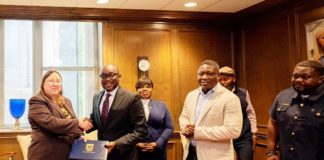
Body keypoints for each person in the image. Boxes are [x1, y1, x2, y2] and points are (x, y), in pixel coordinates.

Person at [179, 59, 243, 160]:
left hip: (215, 156)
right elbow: (184, 116)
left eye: (209, 74)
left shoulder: (230, 98)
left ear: (218, 76)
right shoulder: (191, 95)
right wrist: (185, 127)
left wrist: (197, 132)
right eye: (201, 74)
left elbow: (233, 130)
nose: (204, 77)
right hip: (190, 153)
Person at [28, 70, 93, 160]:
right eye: (51, 81)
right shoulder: (36, 101)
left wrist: (79, 136)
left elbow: (69, 124)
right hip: (46, 155)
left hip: (68, 154)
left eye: (58, 81)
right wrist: (79, 122)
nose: (55, 84)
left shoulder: (66, 101)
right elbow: (52, 123)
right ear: (43, 84)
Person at [266, 60, 324, 160]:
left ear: (320, 79)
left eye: (305, 77)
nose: (298, 80)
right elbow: (273, 123)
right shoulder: (283, 96)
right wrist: (271, 152)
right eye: (295, 76)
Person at [88, 64, 148, 160]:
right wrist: (85, 125)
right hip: (101, 153)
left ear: (119, 76)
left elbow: (141, 130)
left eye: (112, 75)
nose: (107, 79)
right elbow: (95, 121)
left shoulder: (131, 98)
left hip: (124, 155)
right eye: (103, 76)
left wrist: (117, 143)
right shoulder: (96, 97)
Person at [218, 66, 258, 160]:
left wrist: (254, 133)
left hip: (244, 137)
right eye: (220, 80)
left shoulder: (243, 93)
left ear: (234, 78)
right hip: (223, 137)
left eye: (226, 79)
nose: (222, 82)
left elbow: (250, 113)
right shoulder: (215, 95)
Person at [134, 76, 174, 160]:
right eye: (141, 87)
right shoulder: (130, 107)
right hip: (136, 151)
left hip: (158, 151)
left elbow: (169, 128)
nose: (145, 89)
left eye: (148, 87)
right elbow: (124, 128)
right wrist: (136, 144)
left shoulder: (162, 106)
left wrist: (157, 143)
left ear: (152, 89)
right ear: (137, 89)